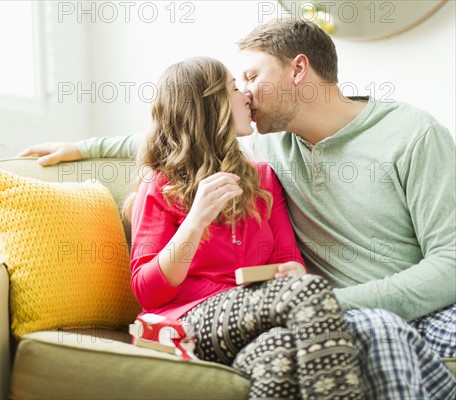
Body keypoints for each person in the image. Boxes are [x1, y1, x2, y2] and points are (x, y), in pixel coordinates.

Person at [19, 19, 456, 399]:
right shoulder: (267, 140)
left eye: (249, 76)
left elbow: (450, 264)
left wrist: (326, 298)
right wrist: (83, 146)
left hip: (410, 305)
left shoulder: (410, 136)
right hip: (326, 312)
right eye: (236, 84)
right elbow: (184, 132)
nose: (243, 93)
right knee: (379, 331)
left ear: (298, 69)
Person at [128, 55, 362, 399]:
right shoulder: (162, 184)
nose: (247, 96)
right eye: (235, 88)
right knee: (310, 291)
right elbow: (147, 291)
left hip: (250, 320)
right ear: (210, 107)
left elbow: (289, 258)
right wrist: (195, 221)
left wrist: (291, 269)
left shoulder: (263, 179)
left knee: (278, 351)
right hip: (184, 321)